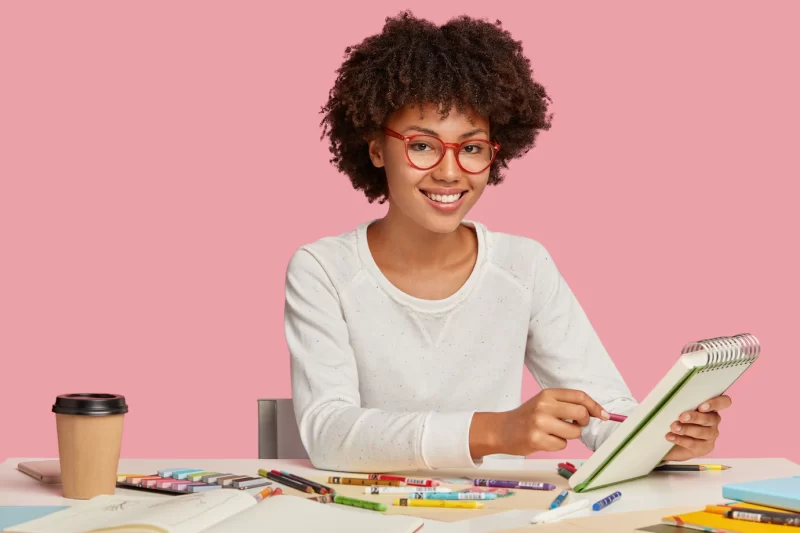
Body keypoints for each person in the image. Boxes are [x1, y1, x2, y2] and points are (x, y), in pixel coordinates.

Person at [283, 11, 730, 473]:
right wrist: (497, 431)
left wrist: (658, 438)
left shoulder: (524, 265)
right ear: (376, 148)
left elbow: (604, 411)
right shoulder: (323, 270)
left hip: (494, 513)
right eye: (422, 145)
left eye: (472, 148)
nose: (450, 171)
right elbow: (329, 433)